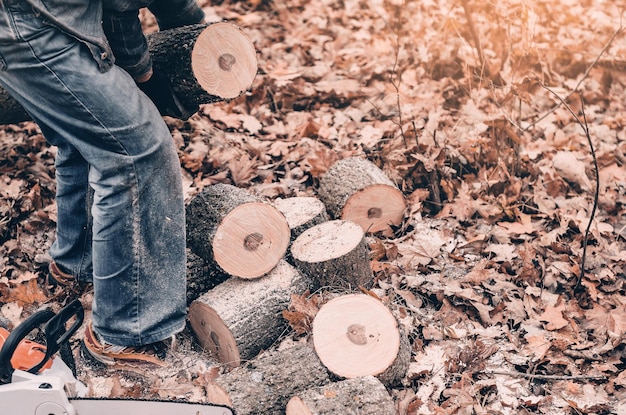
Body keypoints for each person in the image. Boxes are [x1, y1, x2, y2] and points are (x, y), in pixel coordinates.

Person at [0, 0, 204, 368]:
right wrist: (146, 77)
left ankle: (78, 264)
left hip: (35, 15)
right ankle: (129, 330)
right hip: (32, 21)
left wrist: (196, 29)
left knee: (87, 133)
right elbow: (119, 10)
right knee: (137, 154)